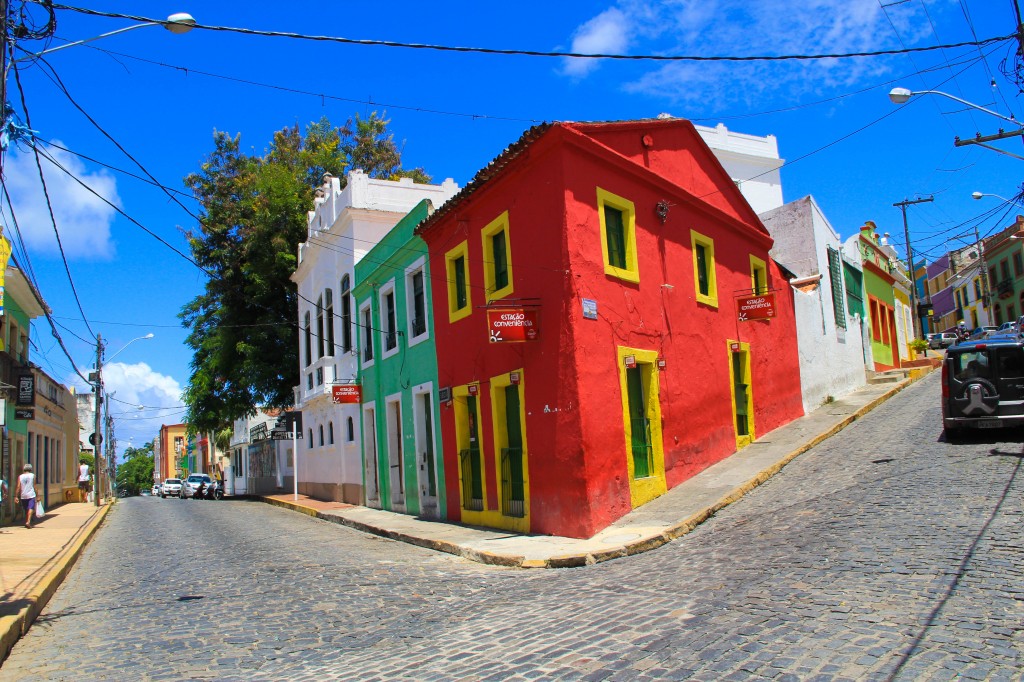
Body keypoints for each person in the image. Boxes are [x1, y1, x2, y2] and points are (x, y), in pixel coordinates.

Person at [15, 463, 37, 529]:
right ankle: (28, 522)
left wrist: (16, 496)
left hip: (23, 495)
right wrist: (37, 495)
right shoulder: (33, 476)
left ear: (24, 469)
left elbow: (18, 486)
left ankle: (27, 521)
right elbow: (35, 486)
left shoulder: (20, 476)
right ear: (30, 469)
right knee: (31, 508)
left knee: (26, 509)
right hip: (31, 494)